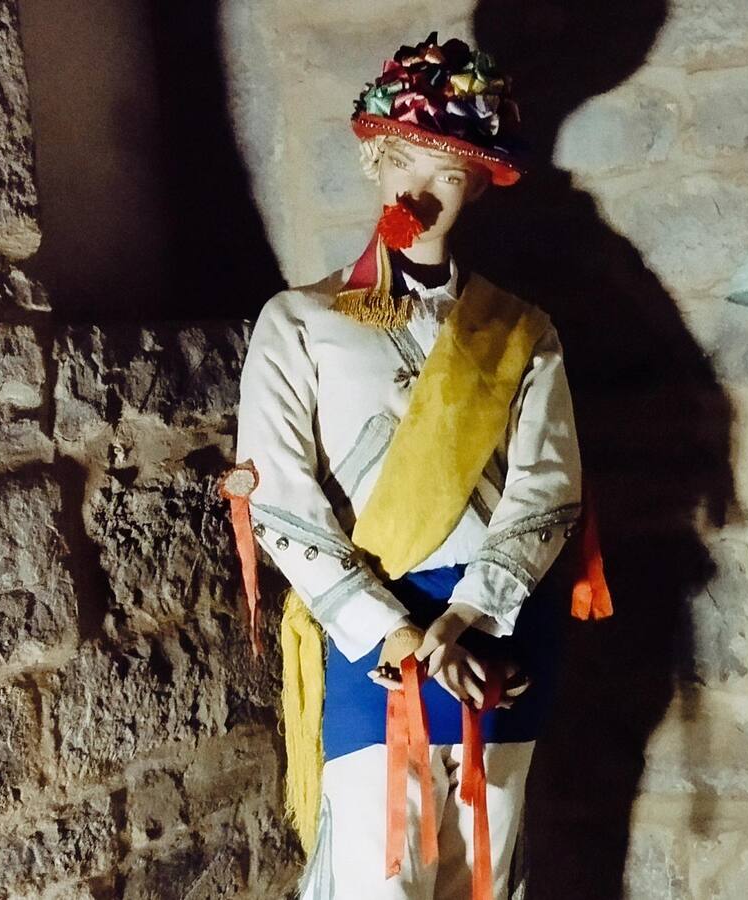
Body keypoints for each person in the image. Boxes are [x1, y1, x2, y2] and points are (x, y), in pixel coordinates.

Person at [222, 33, 607, 900]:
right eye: (404, 162)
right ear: (374, 160)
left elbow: (550, 485)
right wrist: (402, 637)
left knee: (488, 871)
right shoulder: (296, 322)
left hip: (494, 627)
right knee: (380, 872)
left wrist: (469, 618)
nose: (420, 192)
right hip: (375, 638)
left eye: (447, 173)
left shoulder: (521, 329)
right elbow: (281, 499)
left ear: (476, 183)